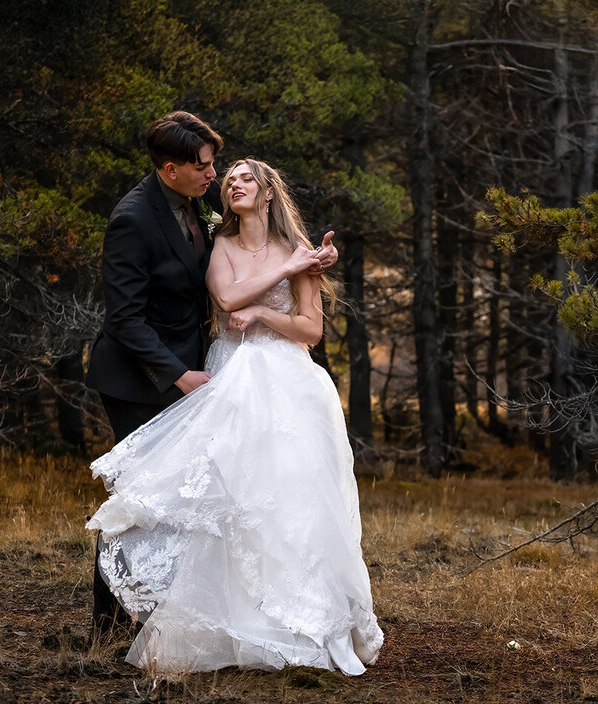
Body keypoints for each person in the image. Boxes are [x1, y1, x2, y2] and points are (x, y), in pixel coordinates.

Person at [86, 158, 383, 676]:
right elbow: (225, 298)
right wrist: (288, 271)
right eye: (229, 181)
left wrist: (267, 311)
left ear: (268, 191)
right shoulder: (219, 242)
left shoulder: (298, 248)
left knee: (289, 496)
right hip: (232, 376)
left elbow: (311, 330)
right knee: (230, 493)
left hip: (288, 382)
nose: (233, 184)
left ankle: (299, 620)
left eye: (246, 178)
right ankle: (224, 621)